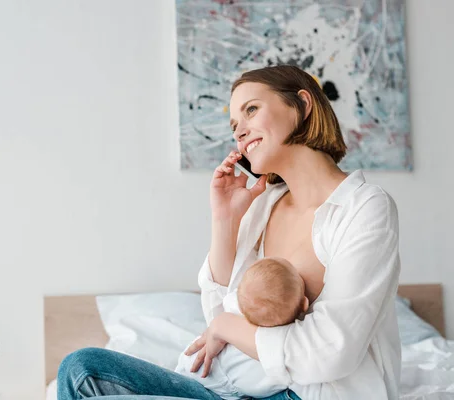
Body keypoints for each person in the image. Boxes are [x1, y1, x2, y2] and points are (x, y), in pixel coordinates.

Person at [57, 64, 401, 400]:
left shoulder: (364, 207)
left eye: (251, 110)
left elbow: (331, 351)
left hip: (302, 392)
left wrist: (227, 328)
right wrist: (225, 220)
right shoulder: (265, 205)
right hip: (227, 388)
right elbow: (219, 311)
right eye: (235, 124)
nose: (239, 131)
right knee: (81, 368)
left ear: (302, 105)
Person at [174, 257, 310, 399]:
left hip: (194, 363)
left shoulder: (236, 302)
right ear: (304, 304)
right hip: (212, 378)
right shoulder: (271, 359)